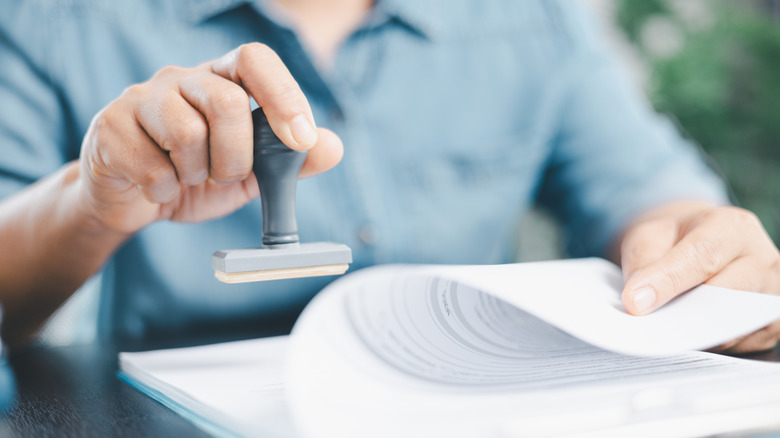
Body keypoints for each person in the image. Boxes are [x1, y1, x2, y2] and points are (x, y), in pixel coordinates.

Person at [1, 0, 778, 352]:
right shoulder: (55, 17)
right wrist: (92, 201)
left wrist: (693, 252)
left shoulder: (531, 18)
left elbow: (647, 195)